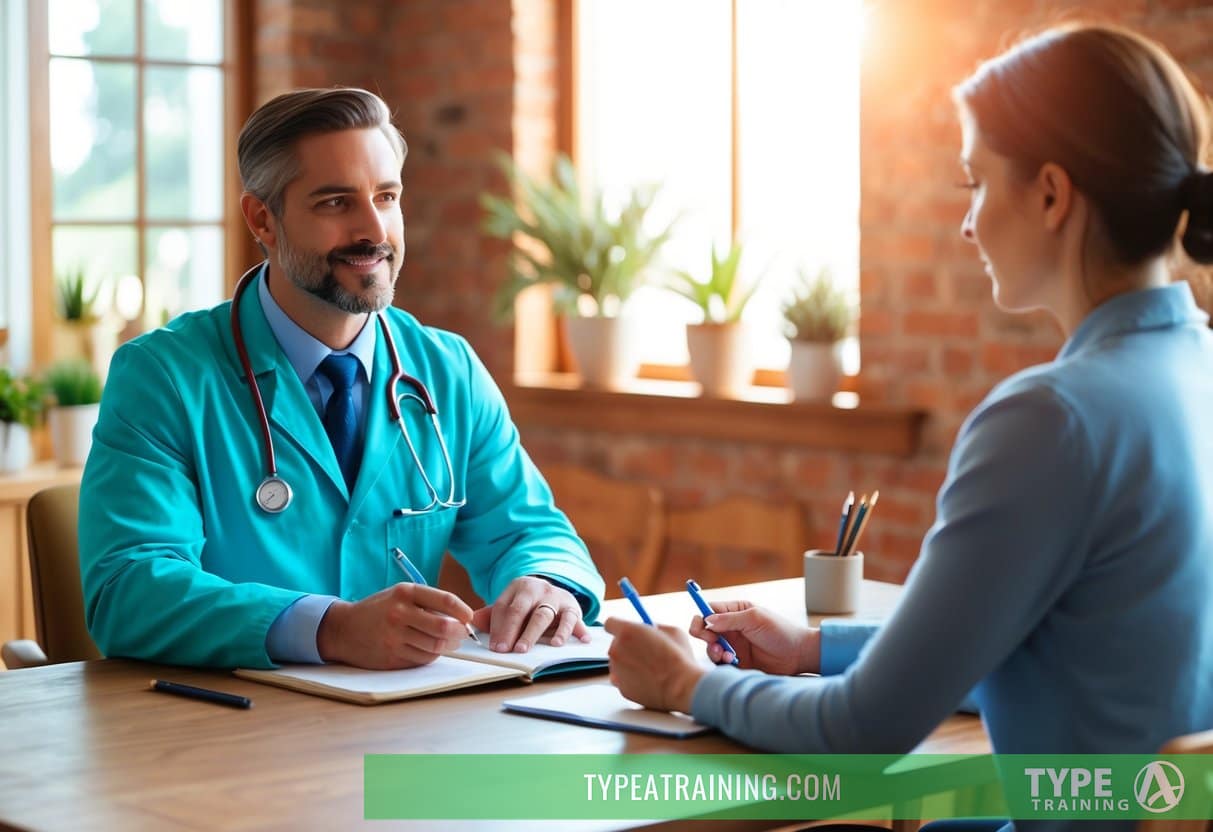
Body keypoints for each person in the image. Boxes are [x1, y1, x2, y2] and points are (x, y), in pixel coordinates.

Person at [605, 22, 1213, 832]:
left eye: (974, 183)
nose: (965, 224)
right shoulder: (1193, 371)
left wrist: (685, 683)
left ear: (1049, 195)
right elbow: (1072, 652)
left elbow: (861, 732)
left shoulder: (1051, 420)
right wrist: (812, 651)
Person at [79, 88, 604, 670]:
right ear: (263, 219)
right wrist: (328, 629)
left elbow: (529, 530)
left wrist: (547, 582)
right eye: (335, 203)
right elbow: (128, 588)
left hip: (403, 731)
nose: (373, 229)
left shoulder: (447, 370)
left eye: (387, 196)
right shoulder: (163, 377)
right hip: (232, 728)